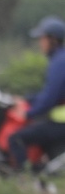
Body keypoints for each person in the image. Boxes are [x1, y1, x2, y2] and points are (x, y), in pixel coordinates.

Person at [8, 16, 65, 173]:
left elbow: (49, 99)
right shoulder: (59, 59)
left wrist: (28, 113)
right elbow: (49, 93)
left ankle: (24, 181)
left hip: (61, 125)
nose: (40, 43)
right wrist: (26, 99)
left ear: (52, 40)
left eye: (42, 38)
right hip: (58, 122)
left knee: (16, 139)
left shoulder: (60, 62)